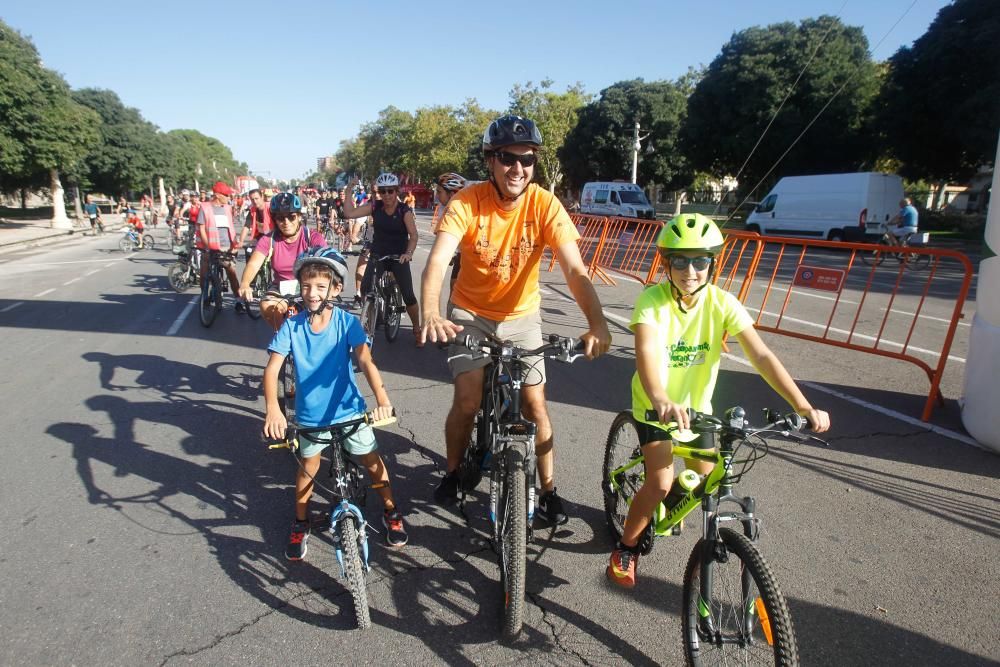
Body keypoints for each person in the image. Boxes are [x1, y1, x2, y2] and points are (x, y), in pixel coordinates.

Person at [605, 213, 831, 588]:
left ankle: (661, 512)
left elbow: (761, 356)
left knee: (702, 480)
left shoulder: (722, 302)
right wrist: (660, 397)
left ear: (713, 263)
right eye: (679, 260)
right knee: (661, 482)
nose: (689, 270)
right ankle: (627, 547)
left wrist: (802, 405)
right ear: (666, 263)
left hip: (698, 413)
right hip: (656, 408)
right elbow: (645, 353)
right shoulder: (652, 301)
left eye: (700, 260)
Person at [420, 114, 612, 523]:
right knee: (468, 400)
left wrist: (598, 323)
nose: (518, 169)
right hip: (470, 313)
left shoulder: (544, 204)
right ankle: (453, 473)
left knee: (535, 405)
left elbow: (575, 271)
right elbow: (437, 261)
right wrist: (431, 311)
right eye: (507, 158)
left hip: (523, 315)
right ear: (490, 160)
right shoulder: (466, 203)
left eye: (527, 160)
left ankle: (548, 491)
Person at [262, 247, 408, 558]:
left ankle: (391, 511)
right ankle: (301, 522)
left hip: (349, 411)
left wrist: (382, 399)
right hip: (311, 417)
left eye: (319, 286)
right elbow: (273, 368)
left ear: (336, 288)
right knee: (308, 469)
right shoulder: (292, 325)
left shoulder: (346, 322)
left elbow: (366, 361)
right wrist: (273, 410)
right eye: (305, 286)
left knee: (372, 461)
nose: (311, 293)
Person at [342, 173, 422, 343]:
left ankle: (416, 327)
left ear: (396, 191)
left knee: (408, 295)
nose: (386, 195)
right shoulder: (374, 207)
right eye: (383, 191)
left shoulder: (404, 211)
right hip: (378, 254)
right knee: (365, 288)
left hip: (398, 257)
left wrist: (408, 254)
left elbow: (413, 235)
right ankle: (373, 312)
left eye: (390, 191)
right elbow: (349, 213)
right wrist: (349, 189)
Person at [238, 192, 325, 331]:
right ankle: (283, 338)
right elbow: (254, 264)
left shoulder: (312, 237)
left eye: (291, 217)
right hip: (281, 289)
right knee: (267, 306)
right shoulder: (269, 239)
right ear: (275, 220)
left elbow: (326, 262)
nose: (286, 222)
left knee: (326, 321)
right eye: (280, 218)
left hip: (310, 288)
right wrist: (245, 283)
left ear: (299, 217)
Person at [194, 181, 241, 307]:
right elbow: (202, 229)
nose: (228, 197)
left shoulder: (227, 208)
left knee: (232, 272)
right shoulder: (205, 208)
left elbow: (230, 228)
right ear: (218, 195)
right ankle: (204, 295)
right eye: (226, 195)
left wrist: (234, 246)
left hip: (226, 247)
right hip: (209, 248)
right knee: (204, 274)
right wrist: (207, 247)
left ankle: (238, 300)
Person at [433, 172, 468, 292]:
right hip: (462, 256)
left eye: (439, 192)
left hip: (469, 260)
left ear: (452, 194)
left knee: (456, 295)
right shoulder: (449, 207)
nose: (437, 196)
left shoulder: (455, 210)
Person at [238, 188, 273, 253]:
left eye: (256, 198)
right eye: (252, 199)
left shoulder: (270, 208)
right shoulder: (252, 210)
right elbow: (246, 226)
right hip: (259, 236)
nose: (254, 201)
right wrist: (241, 241)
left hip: (272, 237)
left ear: (262, 197)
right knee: (249, 250)